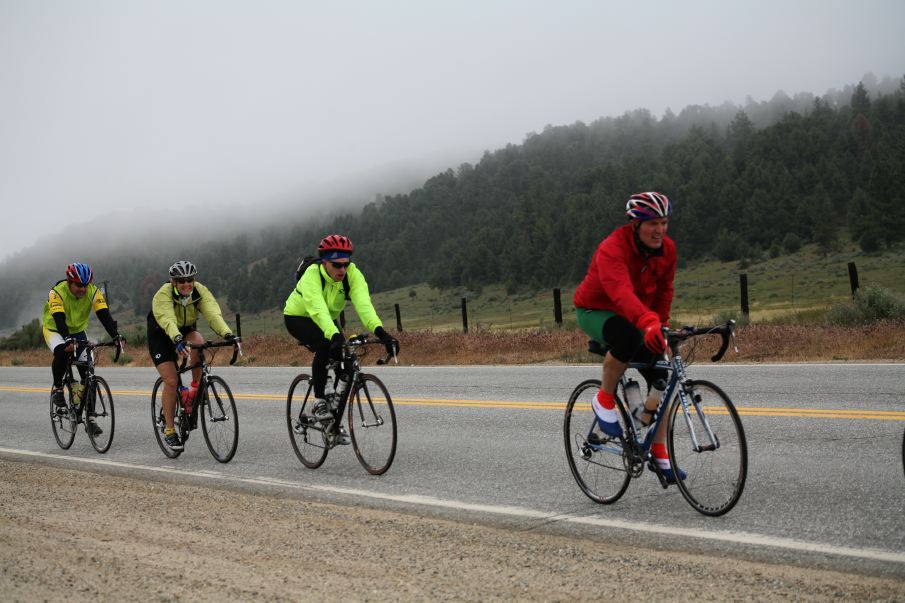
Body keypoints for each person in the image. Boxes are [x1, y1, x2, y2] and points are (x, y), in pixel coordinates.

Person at [573, 192, 683, 483]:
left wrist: (660, 326)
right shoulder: (612, 248)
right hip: (596, 310)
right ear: (635, 224)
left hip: (637, 316)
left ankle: (659, 453)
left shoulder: (667, 250)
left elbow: (664, 292)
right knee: (627, 338)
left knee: (660, 373)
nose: (659, 229)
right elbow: (619, 292)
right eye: (651, 223)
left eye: (664, 222)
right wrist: (647, 323)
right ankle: (604, 400)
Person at [284, 234, 399, 445]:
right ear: (324, 262)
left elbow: (364, 306)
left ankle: (333, 418)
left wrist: (382, 333)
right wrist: (335, 337)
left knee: (344, 357)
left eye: (346, 265)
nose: (342, 270)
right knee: (326, 344)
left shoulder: (352, 274)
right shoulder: (312, 275)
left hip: (327, 318)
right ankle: (320, 401)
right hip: (299, 317)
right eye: (336, 265)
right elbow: (317, 310)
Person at [147, 260, 236, 451]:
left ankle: (196, 389)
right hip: (161, 333)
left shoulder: (198, 290)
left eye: (190, 280)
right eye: (181, 281)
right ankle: (170, 430)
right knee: (171, 380)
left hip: (185, 329)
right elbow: (168, 320)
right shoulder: (163, 295)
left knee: (198, 341)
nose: (187, 284)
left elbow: (213, 314)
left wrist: (228, 334)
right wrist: (177, 339)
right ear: (173, 282)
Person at [42, 262, 124, 436]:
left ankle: (91, 418)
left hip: (78, 331)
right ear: (70, 282)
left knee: (88, 373)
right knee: (63, 352)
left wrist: (115, 336)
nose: (82, 289)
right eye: (78, 285)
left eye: (85, 285)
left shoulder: (94, 292)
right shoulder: (57, 292)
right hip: (55, 329)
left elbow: (104, 315)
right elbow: (59, 318)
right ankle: (58, 389)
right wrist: (66, 339)